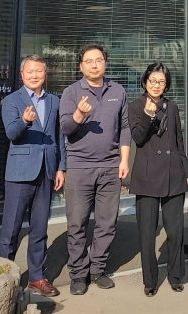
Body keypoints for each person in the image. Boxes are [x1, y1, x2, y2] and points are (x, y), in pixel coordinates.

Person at [59, 44, 131, 295]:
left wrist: (124, 161)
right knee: (77, 224)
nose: (94, 65)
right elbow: (66, 128)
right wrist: (79, 114)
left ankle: (97, 269)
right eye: (88, 61)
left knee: (107, 223)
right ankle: (78, 274)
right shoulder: (71, 93)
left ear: (105, 63)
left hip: (111, 166)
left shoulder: (118, 90)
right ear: (81, 66)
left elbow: (125, 127)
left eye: (98, 60)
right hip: (79, 167)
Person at [0, 54, 66, 297]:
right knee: (11, 230)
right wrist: (25, 121)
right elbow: (11, 134)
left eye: (39, 71)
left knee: (39, 229)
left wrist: (61, 168)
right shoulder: (11, 101)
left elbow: (59, 138)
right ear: (21, 75)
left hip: (46, 171)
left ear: (44, 74)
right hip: (20, 173)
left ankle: (37, 277)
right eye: (30, 72)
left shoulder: (54, 101)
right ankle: (3, 278)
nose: (35, 75)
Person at [128, 63, 188, 297]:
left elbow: (178, 140)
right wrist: (148, 114)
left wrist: (185, 171)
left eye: (161, 82)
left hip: (174, 175)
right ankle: (150, 280)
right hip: (146, 177)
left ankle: (175, 275)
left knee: (175, 231)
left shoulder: (172, 106)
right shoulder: (135, 106)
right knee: (147, 232)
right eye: (153, 81)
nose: (156, 85)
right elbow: (138, 138)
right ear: (145, 81)